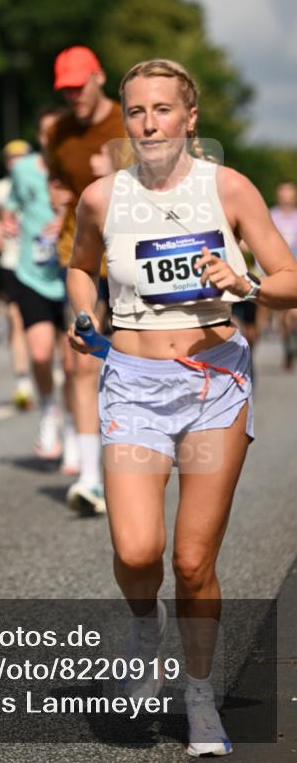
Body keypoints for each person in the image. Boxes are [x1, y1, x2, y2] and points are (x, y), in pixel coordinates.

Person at [67, 58, 297, 756]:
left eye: (162, 109)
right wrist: (85, 314)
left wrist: (245, 283)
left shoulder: (227, 188)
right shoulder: (101, 198)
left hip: (212, 386)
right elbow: (80, 266)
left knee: (193, 562)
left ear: (189, 117)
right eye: (136, 111)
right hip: (133, 384)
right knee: (137, 550)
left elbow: (289, 278)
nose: (148, 124)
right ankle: (145, 624)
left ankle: (198, 696)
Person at [45, 46, 127, 513]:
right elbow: (59, 180)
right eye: (66, 89)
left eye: (79, 85)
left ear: (99, 78)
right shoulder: (58, 132)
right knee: (81, 357)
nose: (73, 95)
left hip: (130, 258)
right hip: (78, 256)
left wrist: (117, 174)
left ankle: (133, 458)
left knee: (132, 359)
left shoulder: (127, 122)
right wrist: (58, 195)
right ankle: (91, 479)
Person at [4, 109, 79, 473]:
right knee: (39, 353)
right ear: (39, 136)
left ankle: (74, 428)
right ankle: (49, 408)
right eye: (47, 132)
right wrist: (8, 219)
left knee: (72, 362)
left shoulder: (78, 167)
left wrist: (67, 216)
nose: (53, 138)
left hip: (72, 274)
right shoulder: (23, 170)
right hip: (32, 273)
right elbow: (13, 204)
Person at [0, 138, 34, 409]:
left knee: (50, 325)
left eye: (21, 158)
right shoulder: (0, 188)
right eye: (11, 159)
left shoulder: (43, 179)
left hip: (41, 263)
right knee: (16, 318)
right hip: (13, 260)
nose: (16, 163)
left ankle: (54, 367)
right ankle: (22, 380)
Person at [269, 181, 297, 370]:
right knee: (285, 316)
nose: (287, 198)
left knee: (294, 312)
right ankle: (288, 347)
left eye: (290, 194)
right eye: (283, 194)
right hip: (277, 268)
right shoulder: (272, 216)